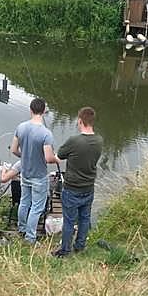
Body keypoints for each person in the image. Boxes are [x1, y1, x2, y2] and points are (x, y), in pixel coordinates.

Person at [52, 107, 103, 258]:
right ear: (93, 121)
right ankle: (80, 246)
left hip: (72, 189)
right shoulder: (99, 140)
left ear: (80, 121)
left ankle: (65, 250)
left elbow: (59, 156)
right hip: (88, 187)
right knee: (84, 218)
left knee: (68, 221)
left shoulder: (74, 140)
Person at [10, 98, 59, 245]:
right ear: (44, 111)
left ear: (30, 110)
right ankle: (30, 238)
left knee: (24, 202)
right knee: (37, 207)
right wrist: (57, 159)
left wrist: (24, 156)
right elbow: (48, 158)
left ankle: (22, 229)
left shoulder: (21, 127)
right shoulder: (46, 134)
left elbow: (13, 150)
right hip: (39, 177)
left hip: (25, 174)